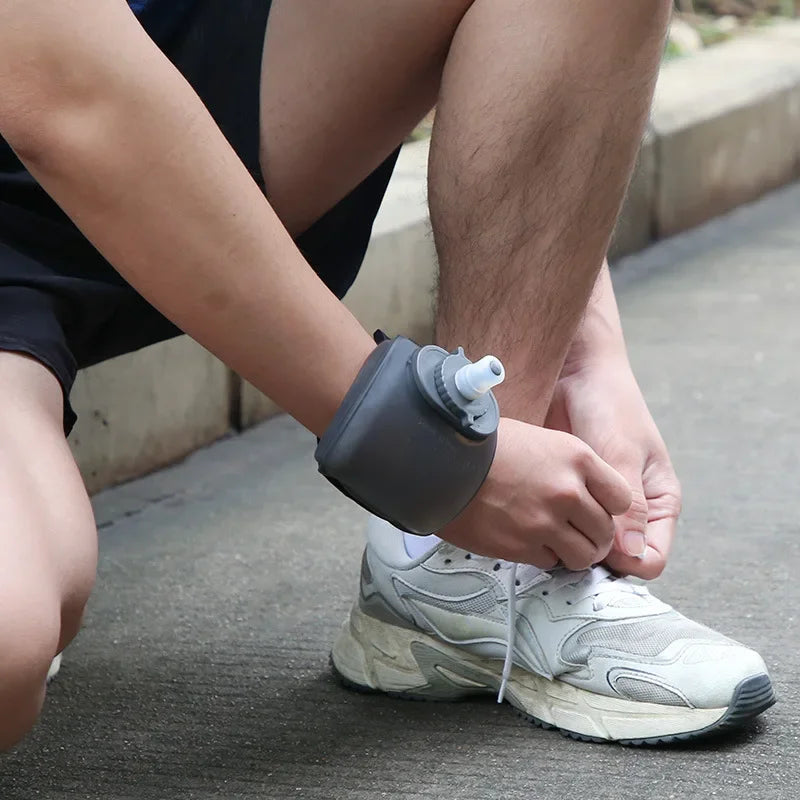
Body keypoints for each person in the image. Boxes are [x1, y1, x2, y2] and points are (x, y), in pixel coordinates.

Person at [0, 0, 773, 751]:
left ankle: (456, 574)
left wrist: (580, 350)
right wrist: (426, 456)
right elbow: (61, 84)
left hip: (159, 82)